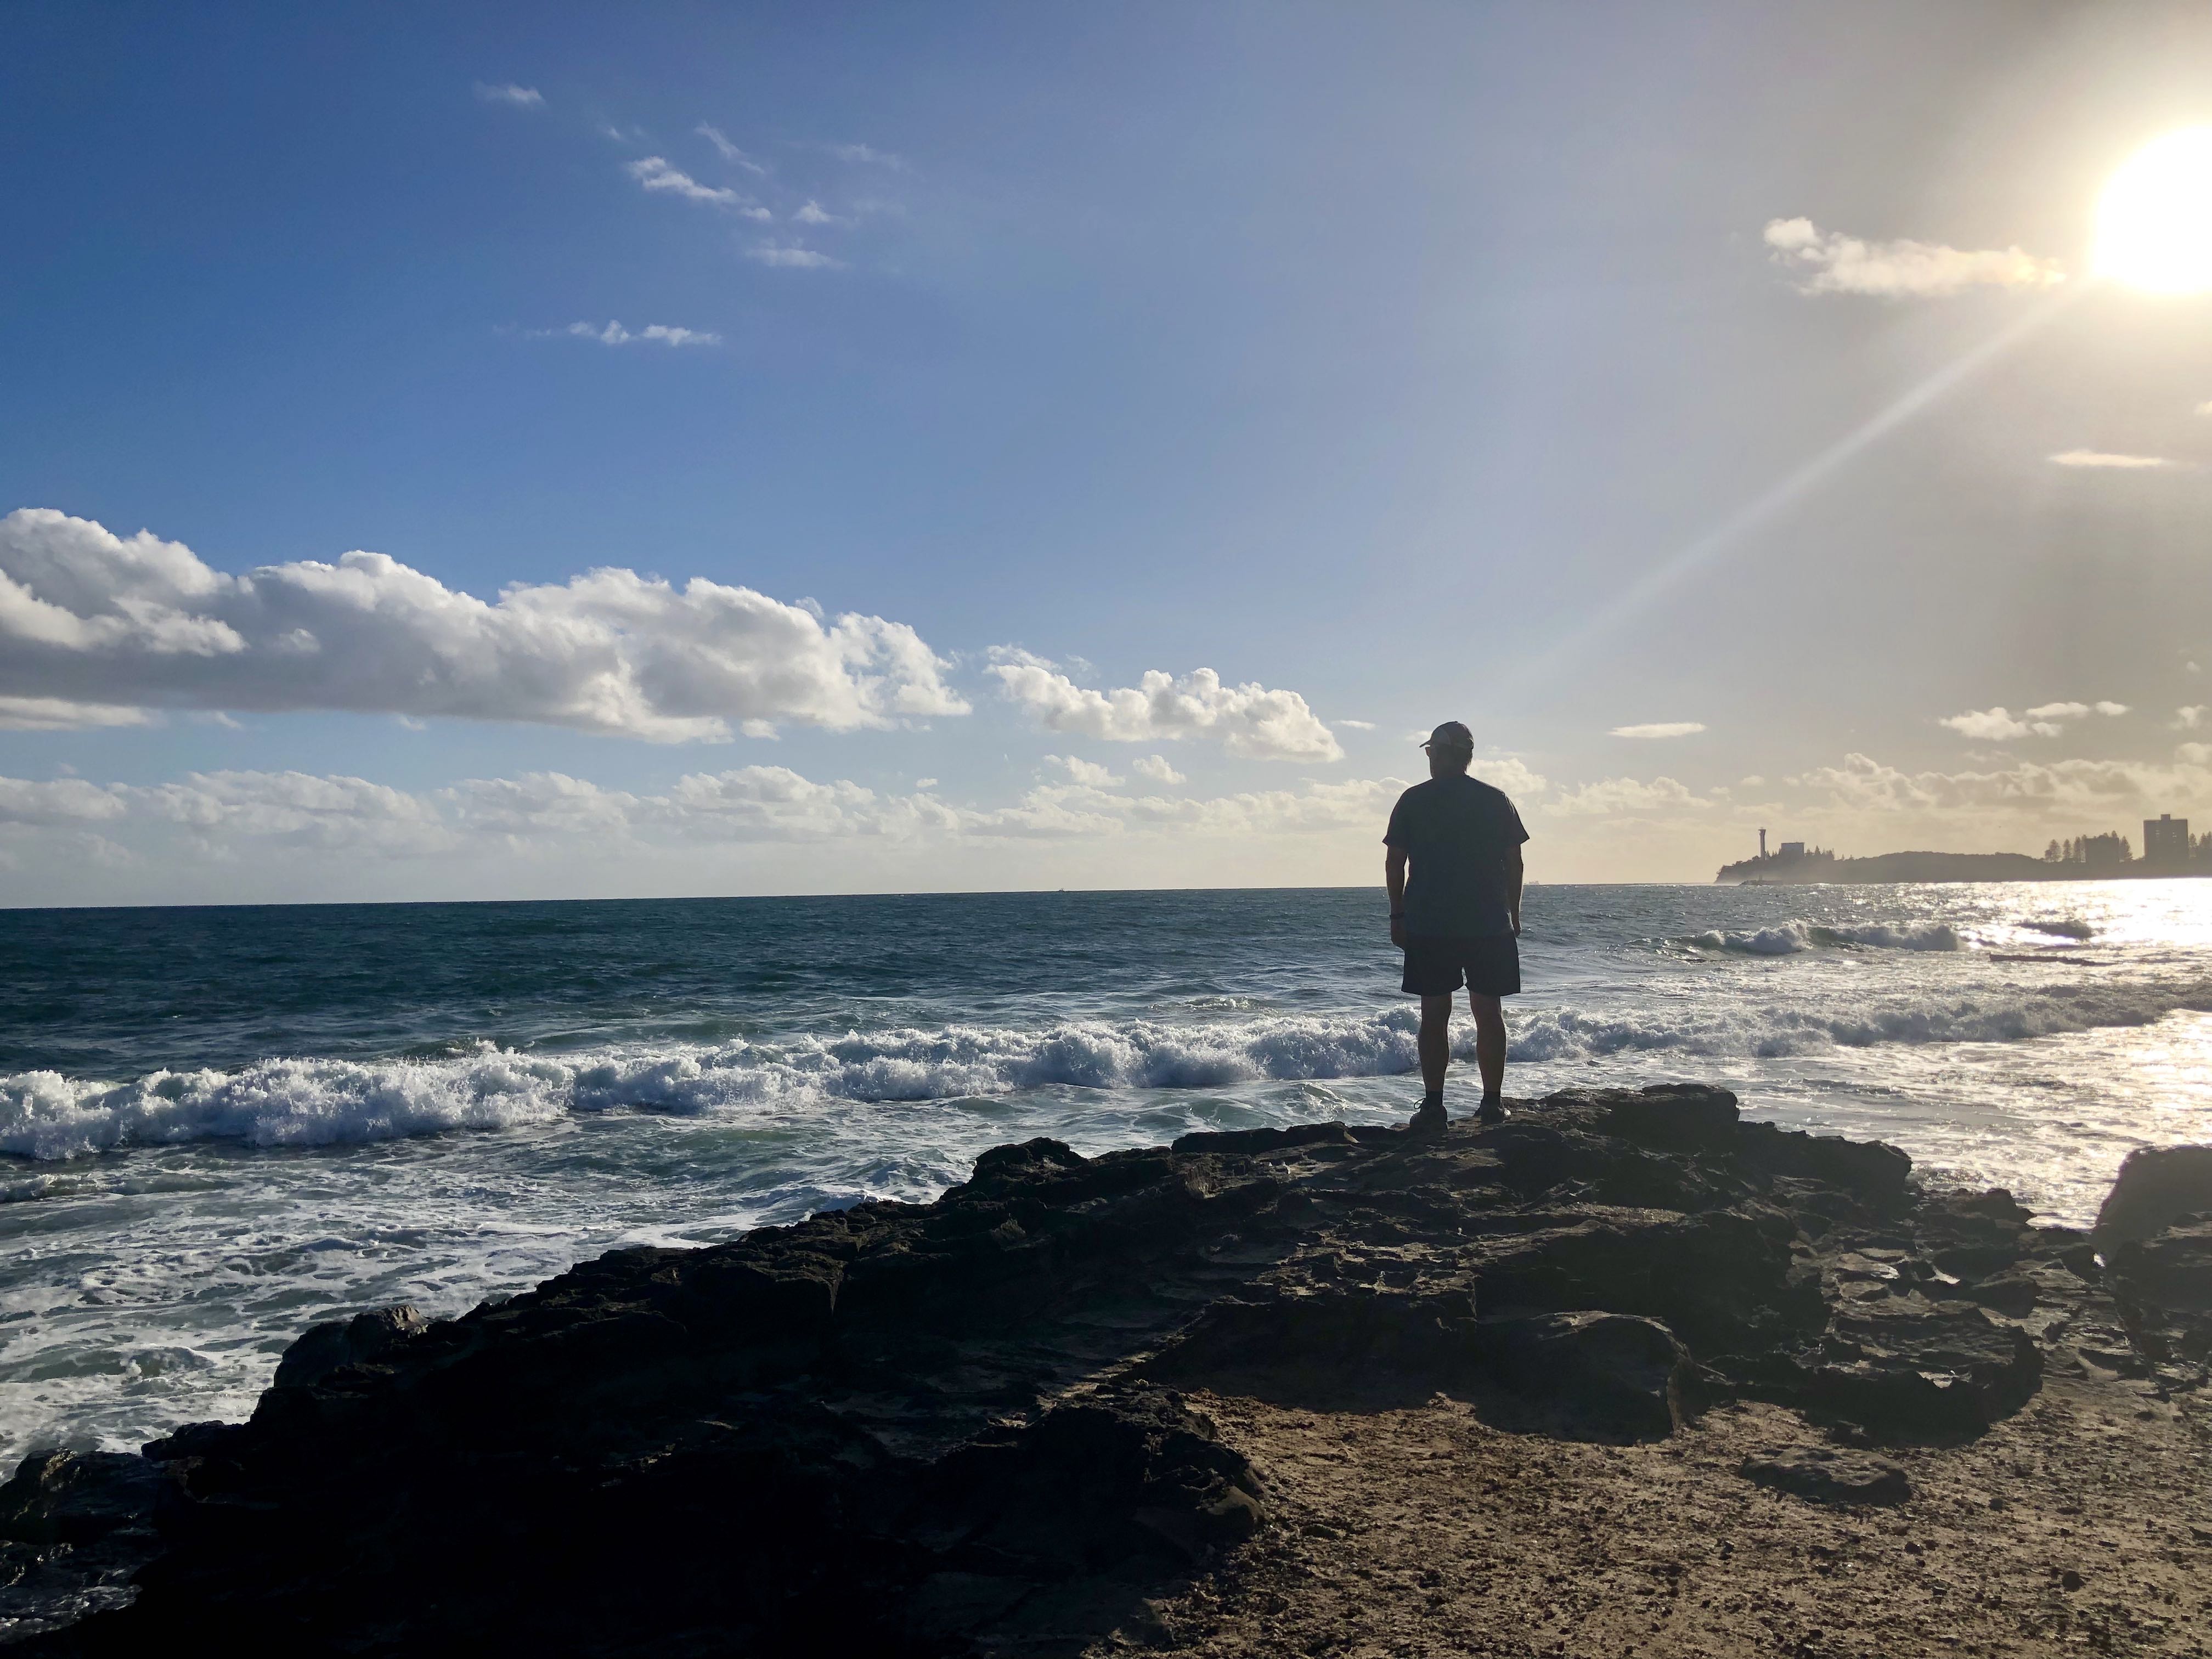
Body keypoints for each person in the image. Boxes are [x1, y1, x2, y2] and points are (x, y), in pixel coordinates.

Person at [1383, 721, 1527, 1133]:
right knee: (1488, 1011)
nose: (1429, 759)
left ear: (1446, 754)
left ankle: (1434, 1107)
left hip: (1430, 924)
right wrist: (1514, 914)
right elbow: (1514, 862)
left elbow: (1395, 862)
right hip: (1488, 923)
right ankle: (1492, 1103)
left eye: (1431, 752)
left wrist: (1398, 915)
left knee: (1434, 1014)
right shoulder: (1496, 800)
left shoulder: (1414, 800)